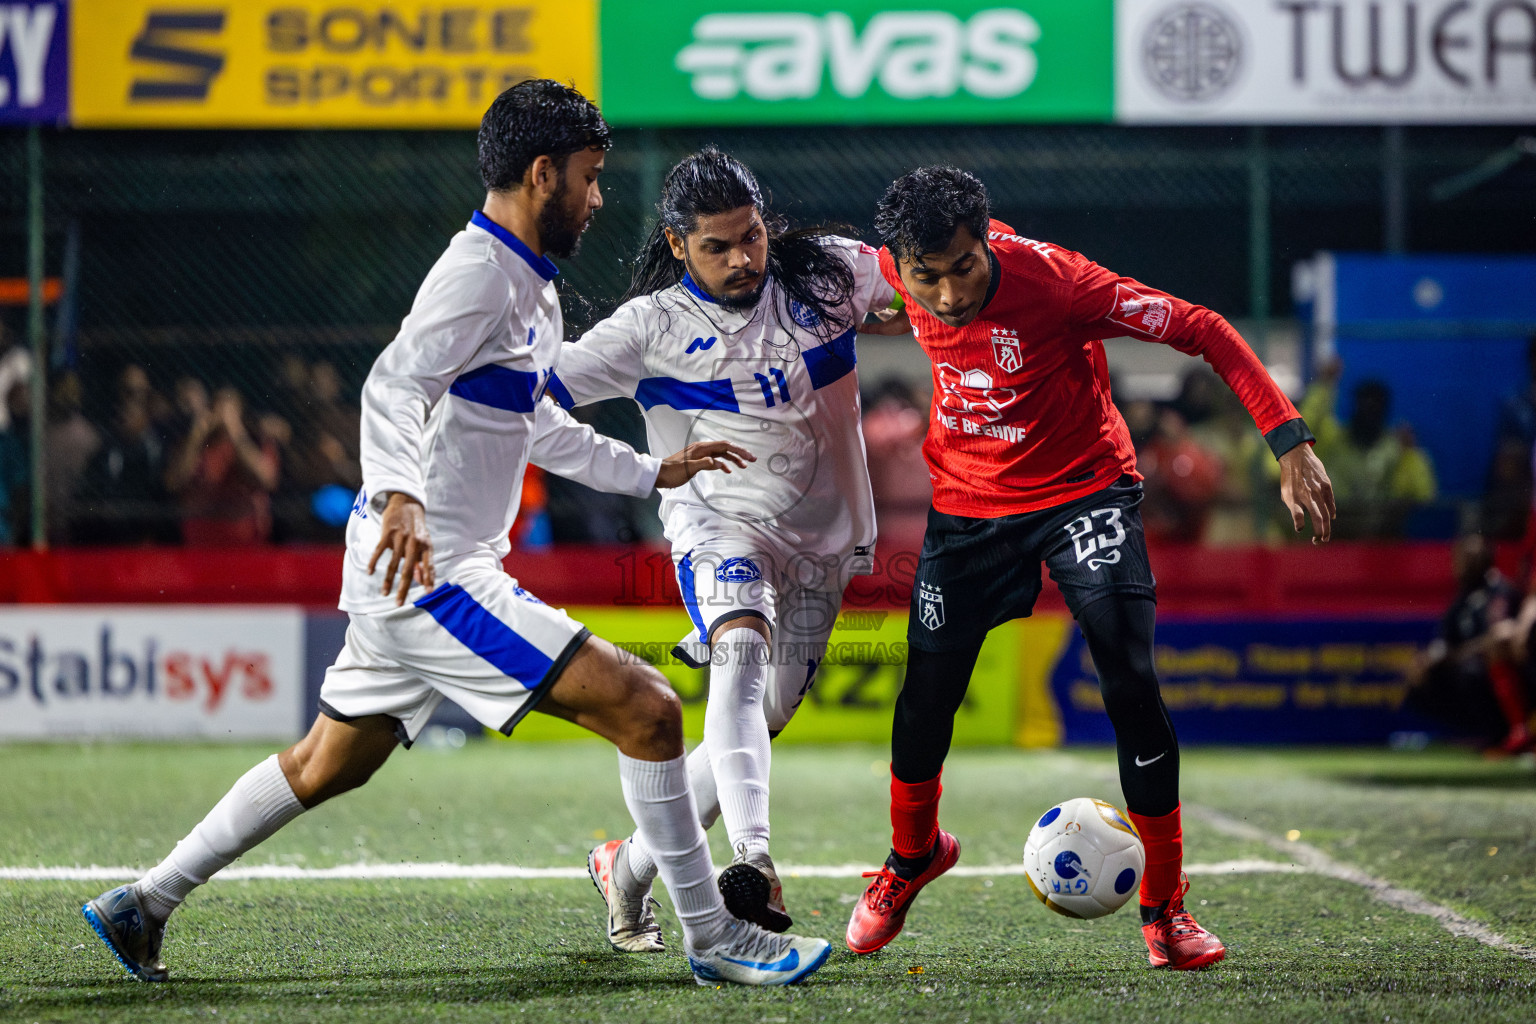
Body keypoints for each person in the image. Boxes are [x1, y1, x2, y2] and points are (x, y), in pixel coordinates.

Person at [81, 80, 830, 989]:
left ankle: (144, 903)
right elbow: (392, 385)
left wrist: (647, 471)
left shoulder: (529, 286)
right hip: (431, 571)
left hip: (400, 572)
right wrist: (399, 492)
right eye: (590, 180)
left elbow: (533, 425)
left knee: (326, 763)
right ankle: (713, 935)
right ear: (542, 173)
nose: (599, 200)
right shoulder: (481, 273)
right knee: (650, 711)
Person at [843, 166, 1336, 969]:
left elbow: (1203, 327)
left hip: (1085, 495)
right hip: (968, 511)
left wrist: (1289, 439)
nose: (946, 294)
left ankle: (1166, 911)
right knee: (926, 697)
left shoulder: (1059, 282)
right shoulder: (888, 276)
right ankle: (911, 859)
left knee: (1128, 678)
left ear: (987, 237)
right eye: (924, 276)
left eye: (963, 267)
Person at [551, 147, 893, 945]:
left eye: (752, 238)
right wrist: (635, 470)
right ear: (677, 244)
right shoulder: (649, 329)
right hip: (718, 527)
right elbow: (525, 399)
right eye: (718, 245)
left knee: (763, 716)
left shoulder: (830, 277)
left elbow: (929, 278)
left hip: (828, 546)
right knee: (738, 661)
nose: (742, 258)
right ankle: (755, 861)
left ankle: (626, 865)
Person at [1407, 533, 1531, 754]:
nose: (1462, 565)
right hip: (1463, 666)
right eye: (1461, 558)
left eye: (1470, 558)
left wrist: (1458, 654)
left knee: (1471, 672)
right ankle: (1481, 733)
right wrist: (1429, 659)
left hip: (1502, 673)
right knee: (1423, 684)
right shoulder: (1463, 597)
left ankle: (1506, 733)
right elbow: (1445, 640)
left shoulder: (1501, 592)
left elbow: (1497, 638)